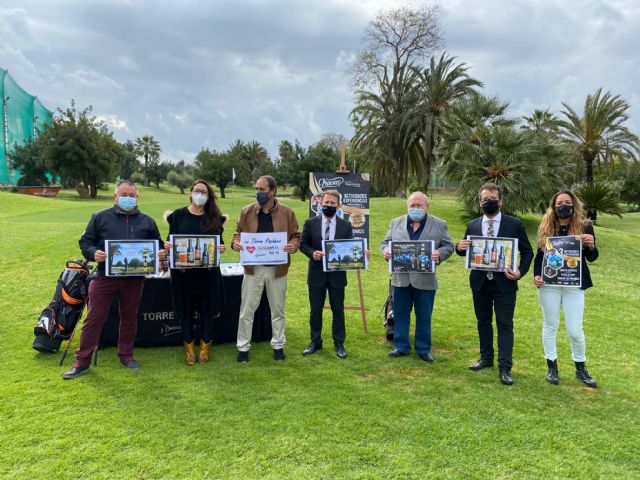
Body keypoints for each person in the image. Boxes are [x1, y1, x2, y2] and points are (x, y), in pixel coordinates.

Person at [63, 180, 166, 380]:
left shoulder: (147, 221)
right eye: (124, 194)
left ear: (137, 197)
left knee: (129, 318)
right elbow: (86, 241)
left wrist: (160, 254)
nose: (128, 198)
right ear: (115, 196)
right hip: (104, 277)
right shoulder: (100, 217)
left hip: (134, 279)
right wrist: (94, 253)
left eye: (132, 195)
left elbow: (158, 245)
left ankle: (126, 355)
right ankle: (82, 362)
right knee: (94, 319)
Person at [455, 183, 533, 385]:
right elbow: (466, 250)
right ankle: (486, 358)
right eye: (484, 199)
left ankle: (505, 367)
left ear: (501, 201)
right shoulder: (473, 225)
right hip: (480, 282)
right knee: (483, 322)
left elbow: (528, 252)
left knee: (505, 325)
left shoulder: (514, 224)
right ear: (479, 201)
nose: (488, 202)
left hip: (505, 284)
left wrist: (520, 272)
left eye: (492, 199)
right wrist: (459, 247)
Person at [533, 190, 598, 388]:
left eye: (567, 202)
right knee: (550, 325)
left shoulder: (585, 226)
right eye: (559, 202)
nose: (563, 205)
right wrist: (537, 275)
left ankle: (581, 367)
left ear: (573, 204)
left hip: (574, 285)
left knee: (575, 330)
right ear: (554, 206)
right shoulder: (546, 228)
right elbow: (540, 257)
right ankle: (551, 367)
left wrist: (592, 246)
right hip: (549, 285)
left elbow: (592, 258)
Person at [231, 175, 300, 363]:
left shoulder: (288, 213)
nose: (258, 193)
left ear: (273, 191)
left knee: (278, 310)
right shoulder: (246, 212)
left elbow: (296, 235)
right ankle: (243, 347)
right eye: (256, 189)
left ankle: (278, 346)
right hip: (253, 269)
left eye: (262, 190)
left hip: (278, 270)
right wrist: (235, 243)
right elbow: (237, 234)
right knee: (246, 311)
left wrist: (293, 245)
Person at [380, 191, 453, 362]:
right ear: (408, 206)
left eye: (419, 205)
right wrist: (386, 251)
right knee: (400, 314)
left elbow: (448, 246)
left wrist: (439, 254)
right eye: (412, 205)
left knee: (424, 316)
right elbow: (385, 243)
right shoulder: (395, 223)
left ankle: (423, 349)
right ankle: (401, 346)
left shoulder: (439, 224)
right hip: (401, 279)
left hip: (425, 280)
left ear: (427, 206)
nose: (415, 208)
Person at [299, 189, 369, 359]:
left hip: (337, 276)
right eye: (326, 203)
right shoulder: (310, 223)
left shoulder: (345, 225)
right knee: (315, 310)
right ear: (320, 203)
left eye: (332, 203)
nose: (329, 205)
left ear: (338, 205)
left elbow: (350, 247)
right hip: (316, 275)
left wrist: (360, 253)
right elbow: (303, 244)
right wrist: (312, 253)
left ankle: (339, 344)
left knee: (338, 311)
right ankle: (315, 341)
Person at [166, 180, 226, 366]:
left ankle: (205, 348)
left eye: (204, 192)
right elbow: (170, 241)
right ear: (191, 193)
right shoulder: (177, 216)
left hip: (207, 275)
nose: (200, 194)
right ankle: (190, 349)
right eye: (197, 191)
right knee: (185, 312)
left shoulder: (214, 218)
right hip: (183, 275)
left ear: (208, 197)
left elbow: (219, 242)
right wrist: (168, 246)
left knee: (207, 312)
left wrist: (221, 248)